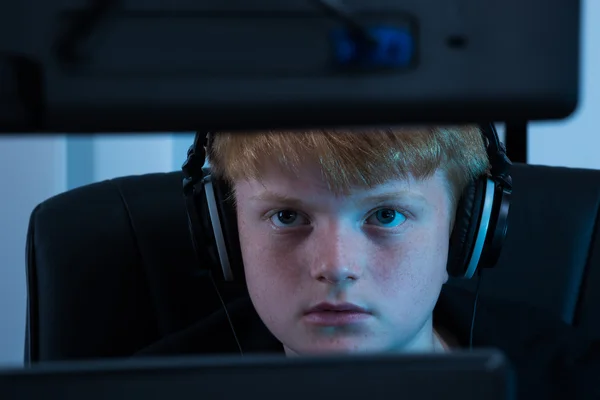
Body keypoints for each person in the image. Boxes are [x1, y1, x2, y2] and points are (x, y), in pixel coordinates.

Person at [137, 126, 598, 399]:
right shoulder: (148, 390)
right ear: (224, 234)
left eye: (387, 215)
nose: (336, 267)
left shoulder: (576, 381)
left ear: (464, 235)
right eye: (287, 216)